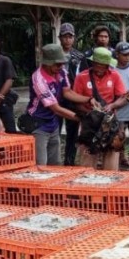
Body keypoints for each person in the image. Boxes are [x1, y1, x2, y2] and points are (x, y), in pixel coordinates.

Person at [25, 43, 92, 165]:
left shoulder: (61, 72)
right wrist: (81, 118)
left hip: (53, 123)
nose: (61, 66)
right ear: (47, 63)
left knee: (55, 164)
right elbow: (56, 108)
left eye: (62, 63)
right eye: (58, 64)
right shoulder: (38, 79)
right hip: (38, 124)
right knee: (41, 164)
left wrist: (88, 99)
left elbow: (67, 92)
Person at [74, 47, 129, 169]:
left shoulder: (114, 75)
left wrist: (112, 105)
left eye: (103, 66)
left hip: (109, 123)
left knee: (111, 163)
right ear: (92, 63)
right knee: (87, 165)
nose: (100, 69)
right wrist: (90, 112)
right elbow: (75, 100)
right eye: (97, 65)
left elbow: (125, 97)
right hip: (89, 125)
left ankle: (110, 186)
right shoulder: (82, 77)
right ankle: (87, 187)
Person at [59, 22, 87, 165]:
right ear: (60, 38)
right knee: (55, 129)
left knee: (72, 131)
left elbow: (83, 77)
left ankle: (69, 161)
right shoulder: (54, 53)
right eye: (65, 37)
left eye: (70, 37)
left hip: (73, 97)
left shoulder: (79, 56)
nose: (67, 40)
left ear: (74, 38)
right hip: (56, 97)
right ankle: (54, 160)